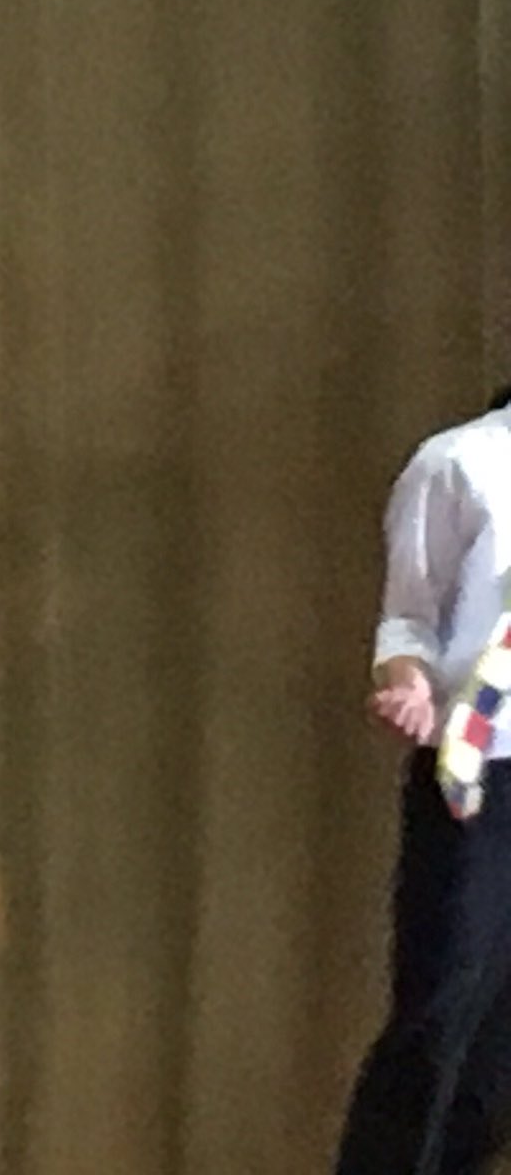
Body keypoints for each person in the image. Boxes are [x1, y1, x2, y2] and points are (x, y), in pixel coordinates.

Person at [337, 389, 511, 1175]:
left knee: (502, 1044)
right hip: (477, 774)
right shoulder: (458, 463)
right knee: (442, 1011)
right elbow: (407, 618)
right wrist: (409, 683)